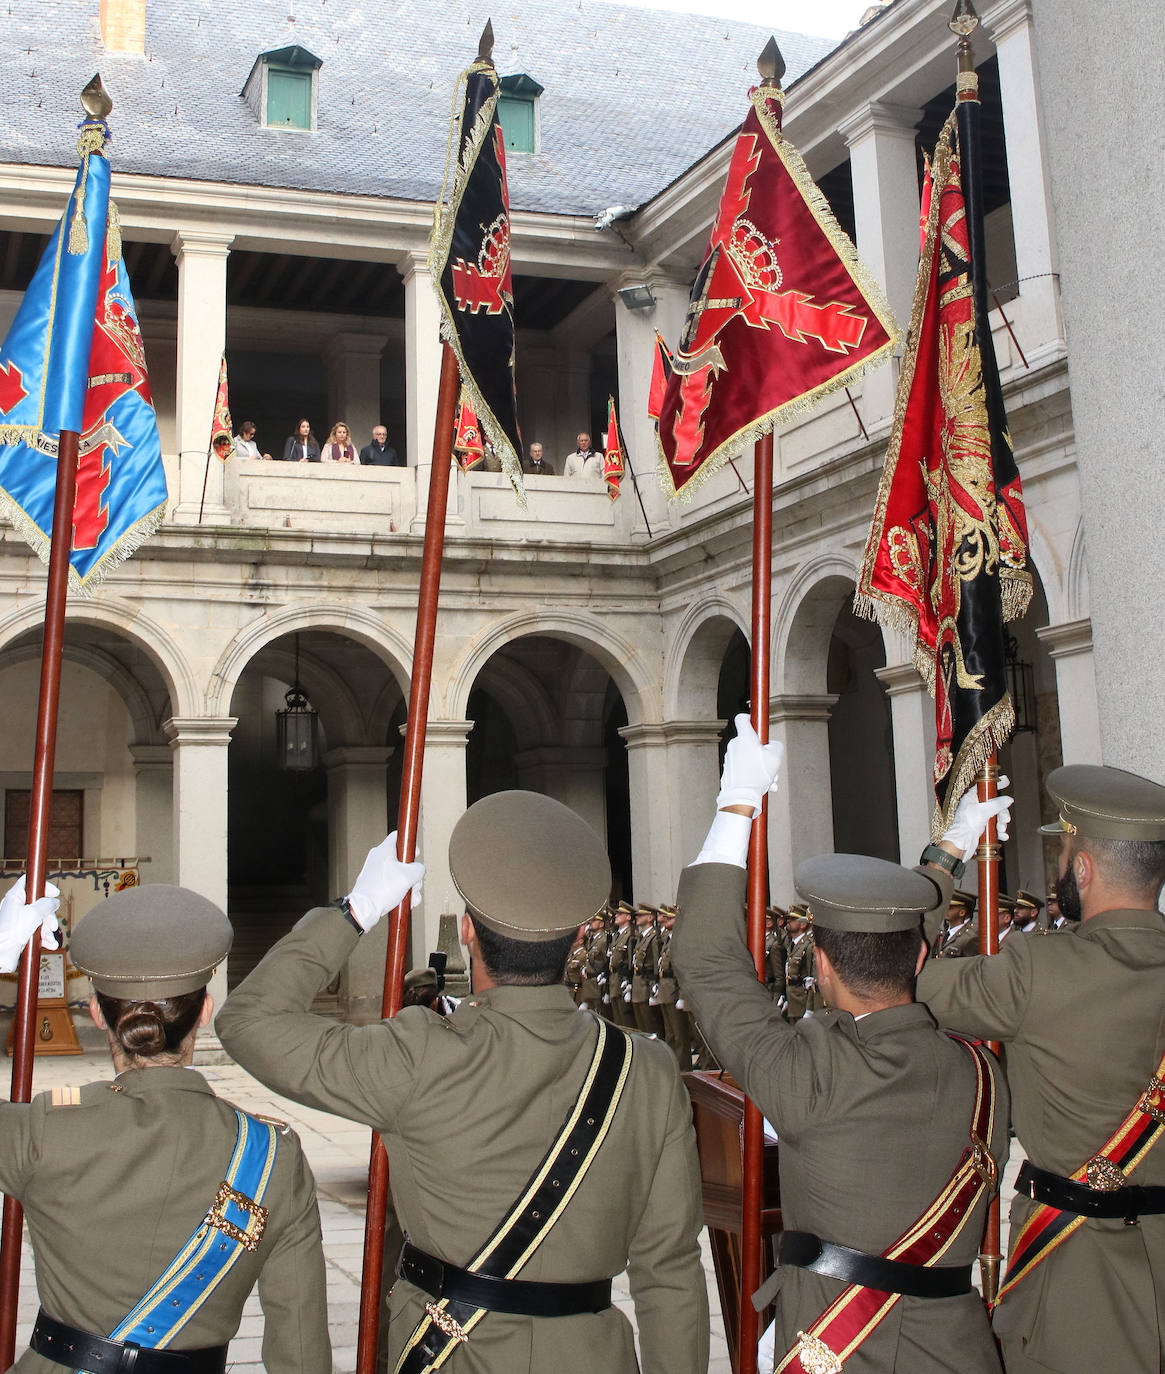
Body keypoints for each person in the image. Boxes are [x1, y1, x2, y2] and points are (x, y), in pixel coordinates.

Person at [218, 793, 709, 1374]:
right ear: (578, 940)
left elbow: (248, 1021)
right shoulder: (646, 1072)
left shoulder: (419, 1053)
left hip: (450, 1355)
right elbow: (671, 1273)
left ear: (469, 933)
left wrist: (356, 911)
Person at [671, 715, 1010, 1374]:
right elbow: (899, 939)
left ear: (820, 967)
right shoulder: (980, 1073)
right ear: (920, 956)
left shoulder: (810, 1075)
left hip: (837, 1348)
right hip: (956, 1351)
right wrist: (948, 853)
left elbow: (707, 962)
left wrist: (736, 802)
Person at [0, 878, 329, 1374]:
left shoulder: (45, 1130)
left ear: (96, 1015)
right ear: (205, 1014)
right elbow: (301, 1353)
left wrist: (1, 953)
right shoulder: (273, 1157)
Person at [917, 764, 1165, 1374]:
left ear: (1083, 868)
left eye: (1066, 854)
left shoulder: (1036, 972)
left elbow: (896, 972)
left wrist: (947, 854)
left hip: (1074, 1277)